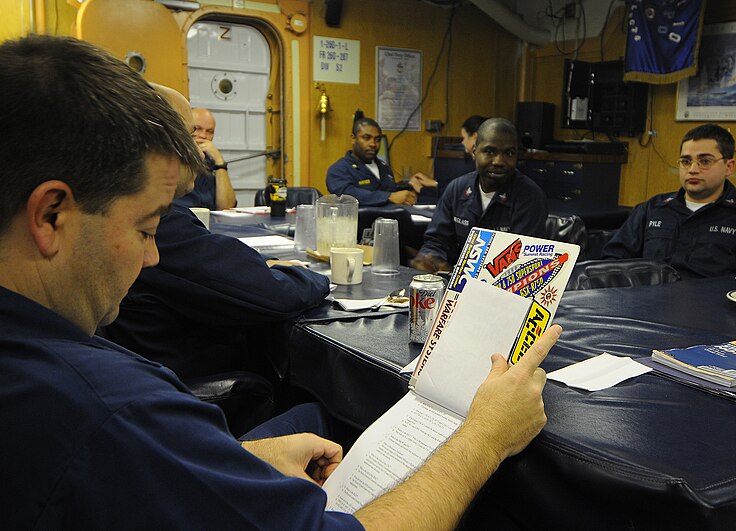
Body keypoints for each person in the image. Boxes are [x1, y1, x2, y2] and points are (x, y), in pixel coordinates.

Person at [1, 35, 561, 529]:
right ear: (52, 216)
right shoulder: (114, 412)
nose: (152, 258)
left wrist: (232, 461)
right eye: (147, 229)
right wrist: (485, 437)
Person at [102, 86, 330, 382]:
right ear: (157, 145)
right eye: (190, 135)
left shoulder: (154, 216)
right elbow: (271, 294)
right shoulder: (162, 224)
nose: (199, 150)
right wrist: (320, 278)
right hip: (198, 387)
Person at [602, 124, 736, 278]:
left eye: (705, 161)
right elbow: (613, 261)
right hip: (646, 307)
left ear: (729, 167)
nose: (693, 169)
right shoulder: (654, 208)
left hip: (713, 312)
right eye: (686, 161)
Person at [411, 117, 549, 273]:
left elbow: (522, 261)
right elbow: (437, 241)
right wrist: (431, 259)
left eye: (509, 153)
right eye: (489, 152)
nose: (499, 161)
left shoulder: (530, 197)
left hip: (503, 288)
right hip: (453, 284)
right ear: (474, 151)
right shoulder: (456, 189)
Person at [326, 111, 437, 206]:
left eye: (377, 139)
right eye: (366, 138)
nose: (373, 144)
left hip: (392, 222)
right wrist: (388, 197)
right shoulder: (339, 169)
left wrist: (408, 192)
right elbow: (347, 195)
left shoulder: (384, 167)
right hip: (361, 225)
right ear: (353, 139)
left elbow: (391, 192)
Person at [174, 107, 237, 210]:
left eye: (210, 131)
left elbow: (226, 207)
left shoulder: (211, 160)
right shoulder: (173, 158)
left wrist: (220, 162)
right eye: (198, 129)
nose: (203, 135)